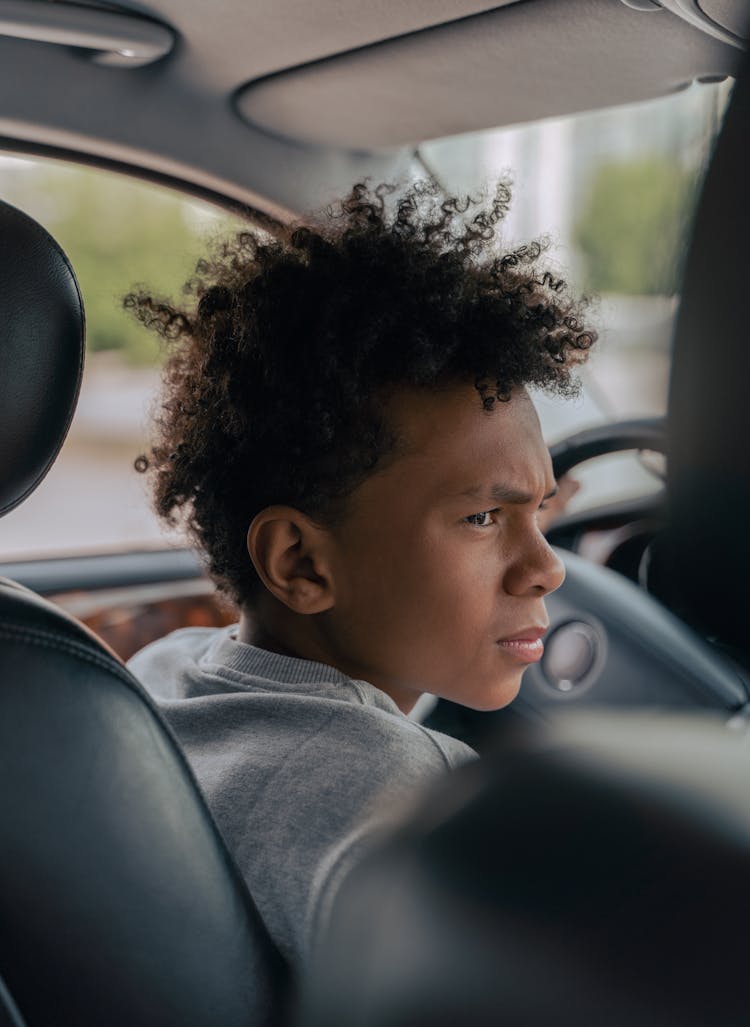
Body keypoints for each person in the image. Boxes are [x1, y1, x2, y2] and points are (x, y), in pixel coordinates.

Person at [125, 180, 595, 970]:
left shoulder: (169, 669)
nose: (546, 568)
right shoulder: (402, 795)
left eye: (543, 511)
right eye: (484, 517)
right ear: (301, 563)